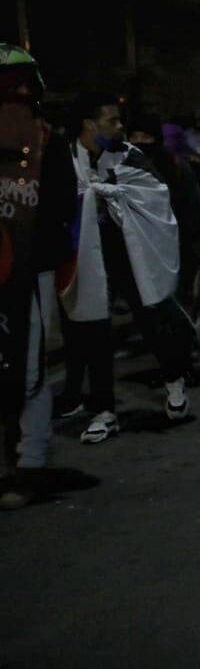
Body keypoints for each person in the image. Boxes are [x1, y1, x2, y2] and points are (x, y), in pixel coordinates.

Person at [61, 93, 196, 443]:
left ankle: (174, 380)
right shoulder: (65, 159)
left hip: (129, 249)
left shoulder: (129, 155)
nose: (120, 127)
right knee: (94, 329)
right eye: (112, 121)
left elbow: (155, 194)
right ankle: (103, 410)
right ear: (89, 125)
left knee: (150, 315)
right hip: (86, 254)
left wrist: (110, 193)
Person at [0, 45, 77, 509]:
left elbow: (62, 205)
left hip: (30, 270)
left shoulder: (49, 141)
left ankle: (29, 463)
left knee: (28, 365)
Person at [128, 115, 200, 312]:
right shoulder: (124, 167)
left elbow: (194, 207)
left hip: (177, 250)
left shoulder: (176, 167)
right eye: (134, 137)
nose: (139, 142)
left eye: (145, 137)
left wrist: (185, 241)